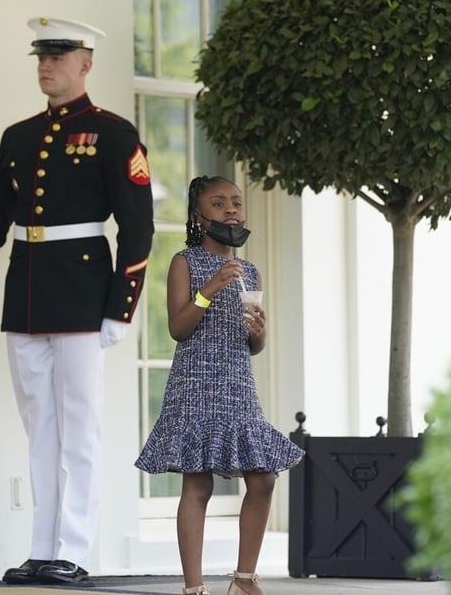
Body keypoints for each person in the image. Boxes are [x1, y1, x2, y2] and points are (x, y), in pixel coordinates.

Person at [0, 16, 154, 585]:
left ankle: (76, 550)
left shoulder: (113, 134)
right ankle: (43, 547)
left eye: (58, 57)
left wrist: (120, 306)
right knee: (40, 427)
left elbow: (137, 228)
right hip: (29, 293)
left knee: (80, 428)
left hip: (85, 295)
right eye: (41, 56)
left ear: (85, 64)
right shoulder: (18, 137)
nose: (46, 65)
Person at [135, 176, 304, 595]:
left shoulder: (250, 270)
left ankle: (243, 579)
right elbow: (177, 328)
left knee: (263, 478)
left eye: (236, 203)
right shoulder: (185, 262)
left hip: (237, 383)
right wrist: (210, 288)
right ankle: (194, 587)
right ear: (199, 215)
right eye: (218, 203)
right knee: (199, 482)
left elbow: (254, 345)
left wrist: (260, 331)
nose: (231, 210)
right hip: (195, 383)